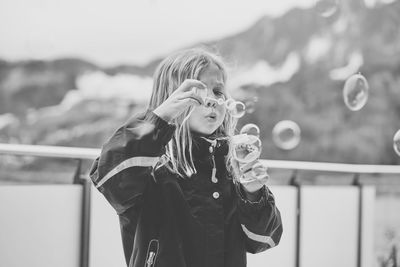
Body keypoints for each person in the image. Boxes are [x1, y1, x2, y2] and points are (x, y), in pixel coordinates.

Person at [89, 47, 282, 267]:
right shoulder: (148, 167)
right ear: (171, 100)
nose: (211, 100)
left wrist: (254, 194)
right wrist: (158, 119)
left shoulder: (231, 169)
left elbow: (263, 240)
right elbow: (109, 178)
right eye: (198, 92)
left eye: (218, 92)